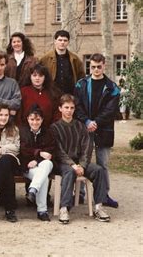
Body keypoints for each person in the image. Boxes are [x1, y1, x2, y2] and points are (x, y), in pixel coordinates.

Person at [51, 94, 111, 224]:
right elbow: (58, 151)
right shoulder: (54, 127)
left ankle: (98, 207)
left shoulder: (80, 126)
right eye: (66, 107)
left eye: (72, 107)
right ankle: (64, 208)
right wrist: (73, 165)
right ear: (60, 108)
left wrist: (82, 166)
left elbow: (87, 149)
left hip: (80, 162)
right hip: (63, 164)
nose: (69, 110)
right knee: (69, 171)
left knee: (98, 170)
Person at [74, 53, 120, 208]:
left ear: (104, 66)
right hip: (83, 128)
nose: (96, 69)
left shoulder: (112, 87)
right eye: (92, 67)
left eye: (99, 67)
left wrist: (96, 123)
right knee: (80, 160)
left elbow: (110, 110)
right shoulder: (81, 84)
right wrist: (86, 121)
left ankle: (104, 195)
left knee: (103, 164)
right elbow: (77, 105)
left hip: (104, 129)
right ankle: (79, 194)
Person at [19, 105, 55, 221]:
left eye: (38, 119)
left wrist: (38, 160)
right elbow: (22, 150)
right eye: (32, 119)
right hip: (27, 166)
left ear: (42, 120)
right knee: (43, 177)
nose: (35, 122)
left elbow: (51, 151)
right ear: (28, 119)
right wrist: (38, 153)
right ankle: (42, 210)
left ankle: (33, 189)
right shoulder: (22, 132)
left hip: (42, 165)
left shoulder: (48, 132)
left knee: (47, 164)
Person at [39, 30, 85, 95]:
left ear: (68, 42)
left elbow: (81, 78)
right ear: (55, 41)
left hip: (70, 95)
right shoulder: (45, 59)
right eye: (60, 40)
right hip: (52, 95)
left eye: (65, 40)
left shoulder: (75, 59)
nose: (62, 42)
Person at [19, 63, 61, 129]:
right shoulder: (23, 92)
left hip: (48, 131)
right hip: (26, 131)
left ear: (45, 77)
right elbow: (19, 114)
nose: (37, 78)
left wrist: (52, 129)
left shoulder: (53, 93)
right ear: (30, 77)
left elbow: (57, 113)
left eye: (40, 76)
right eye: (34, 75)